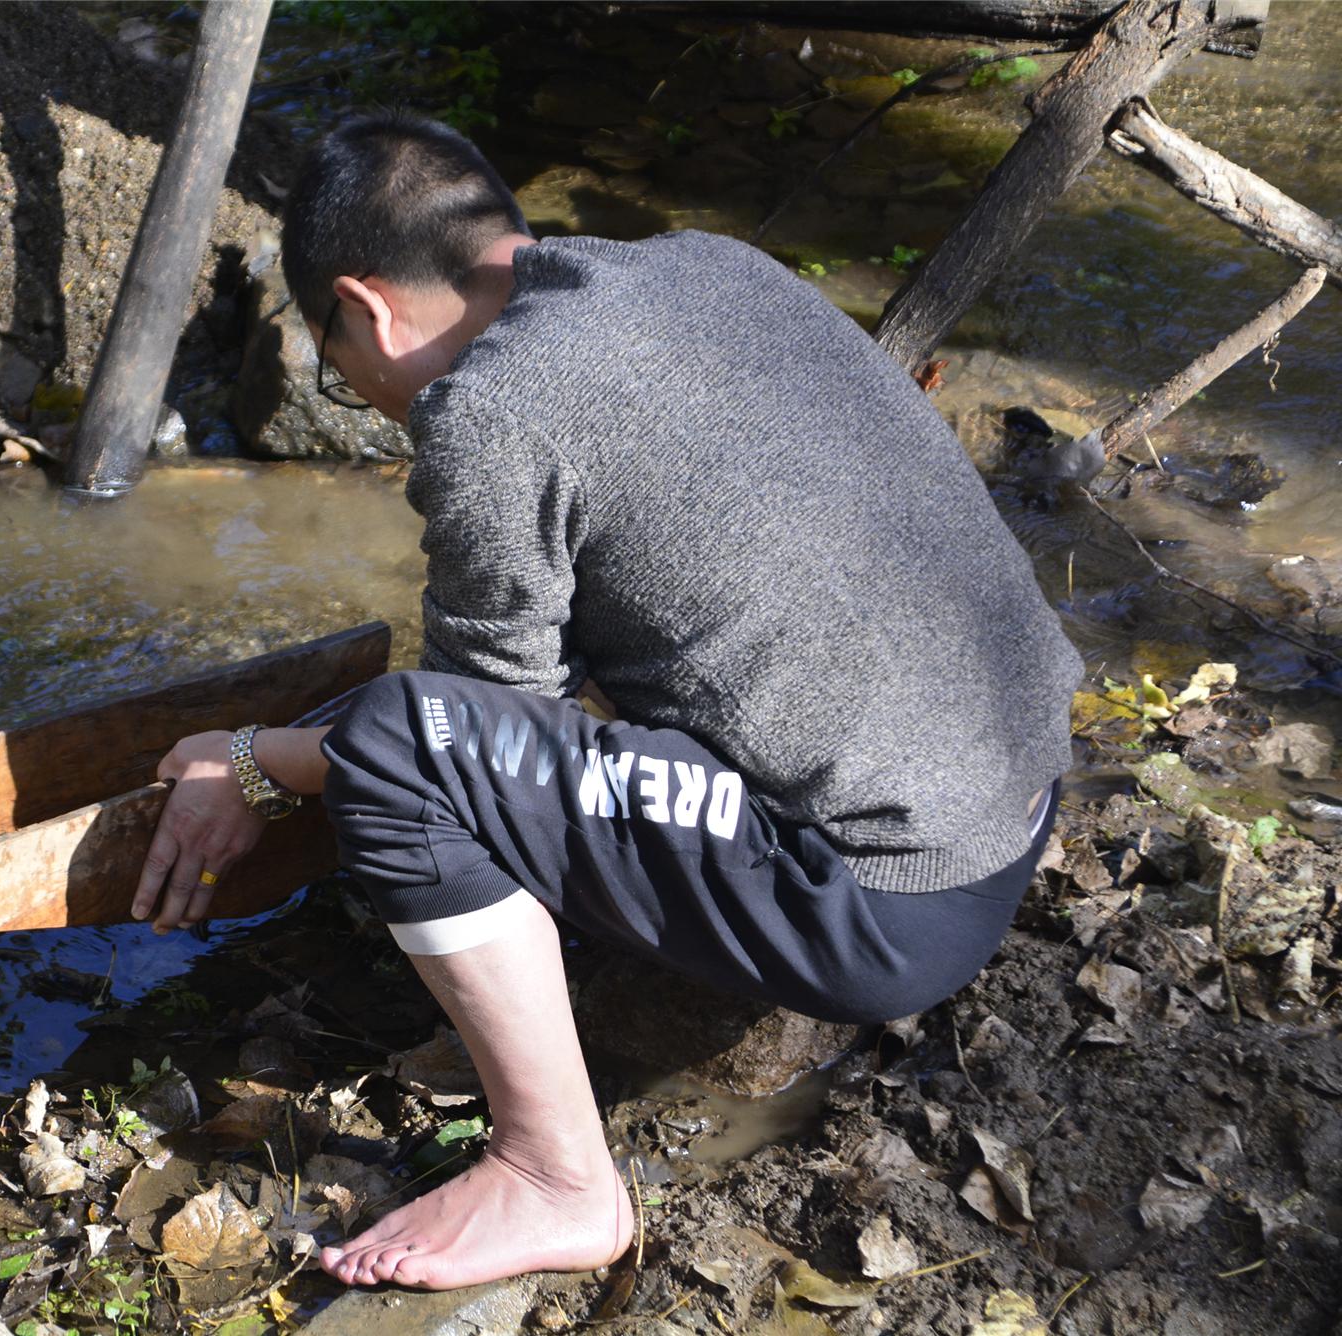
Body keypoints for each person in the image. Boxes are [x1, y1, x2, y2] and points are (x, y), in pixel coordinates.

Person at [129, 113, 1081, 1292]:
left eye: (335, 365)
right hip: (1019, 783)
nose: (358, 394)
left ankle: (554, 1174)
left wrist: (256, 759)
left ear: (365, 308)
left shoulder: (491, 407)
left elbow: (460, 742)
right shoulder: (703, 264)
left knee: (391, 754)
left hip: (891, 903)